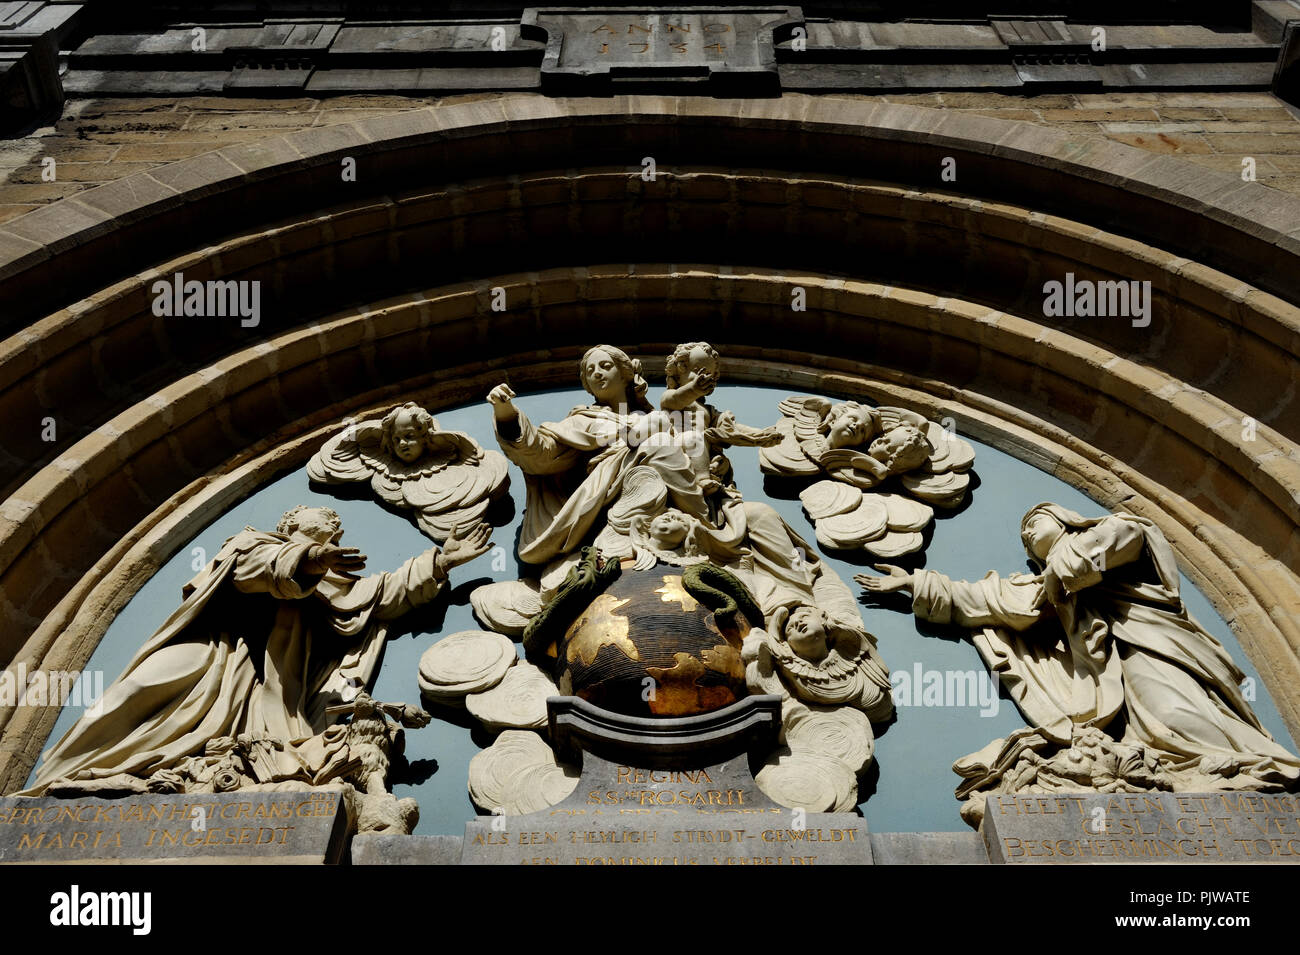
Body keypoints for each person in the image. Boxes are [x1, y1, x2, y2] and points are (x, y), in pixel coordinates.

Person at [25, 507, 492, 793]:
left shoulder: (328, 581)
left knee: (270, 745)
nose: (325, 547)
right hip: (214, 654)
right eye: (313, 537)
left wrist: (441, 560)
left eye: (330, 541)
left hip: (274, 678)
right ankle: (65, 775)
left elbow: (379, 593)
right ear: (288, 530)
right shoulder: (252, 544)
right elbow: (256, 569)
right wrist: (306, 559)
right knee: (136, 692)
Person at [856, 502, 1300, 790]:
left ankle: (1241, 766)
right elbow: (1001, 602)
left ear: (1067, 519)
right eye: (1025, 537)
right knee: (1161, 716)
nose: (1029, 534)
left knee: (1174, 711)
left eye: (1034, 522)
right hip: (1115, 660)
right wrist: (916, 584)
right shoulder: (1049, 582)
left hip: (1155, 642)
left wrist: (1060, 568)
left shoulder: (1118, 530)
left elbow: (1112, 546)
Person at [486, 345, 709, 565]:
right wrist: (506, 415)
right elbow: (541, 455)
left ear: (624, 375)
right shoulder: (582, 420)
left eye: (605, 366)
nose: (597, 373)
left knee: (672, 437)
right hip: (608, 484)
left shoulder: (649, 414)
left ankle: (703, 524)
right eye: (590, 371)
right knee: (658, 444)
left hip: (653, 471)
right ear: (588, 384)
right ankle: (703, 521)